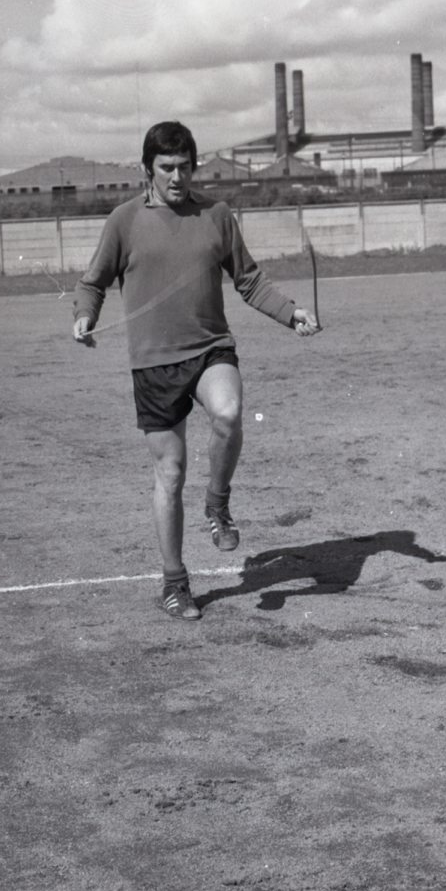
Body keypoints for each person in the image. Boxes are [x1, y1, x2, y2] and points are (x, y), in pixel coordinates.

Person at [72, 121, 318, 622]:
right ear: (148, 170)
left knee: (228, 413)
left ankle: (218, 505)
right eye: (167, 168)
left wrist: (290, 313)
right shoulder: (123, 221)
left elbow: (248, 280)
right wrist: (84, 315)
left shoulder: (217, 215)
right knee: (170, 472)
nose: (178, 177)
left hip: (210, 348)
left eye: (185, 166)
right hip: (153, 364)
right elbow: (93, 282)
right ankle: (175, 584)